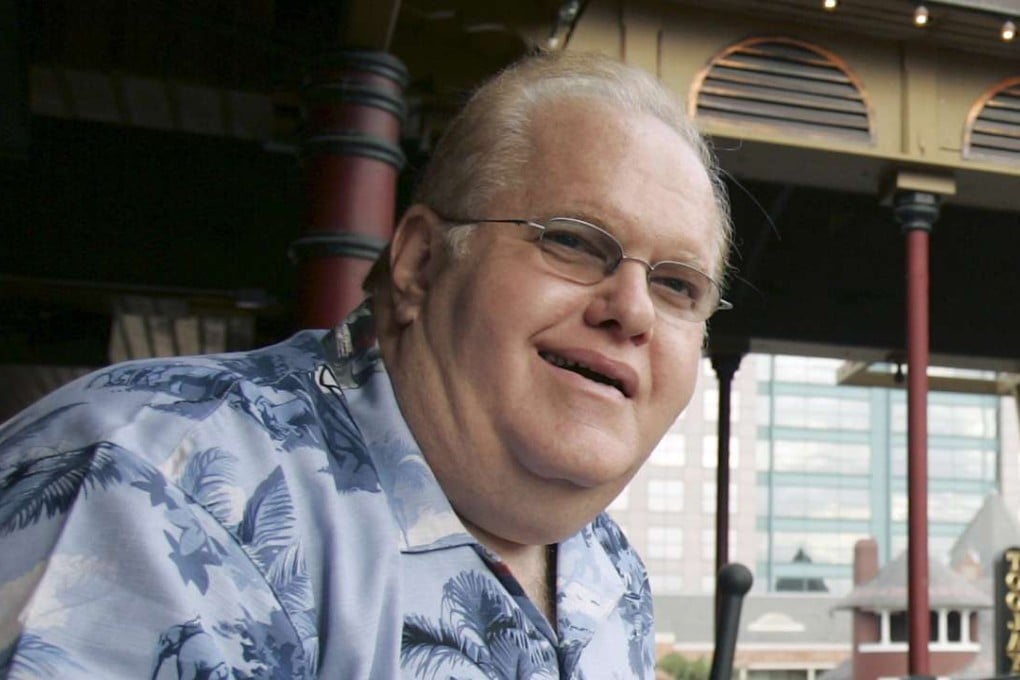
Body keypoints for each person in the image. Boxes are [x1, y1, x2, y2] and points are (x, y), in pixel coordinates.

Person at [0, 50, 732, 678]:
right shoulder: (157, 486)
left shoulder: (612, 573)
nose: (632, 310)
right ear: (418, 263)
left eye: (677, 285)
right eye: (572, 242)